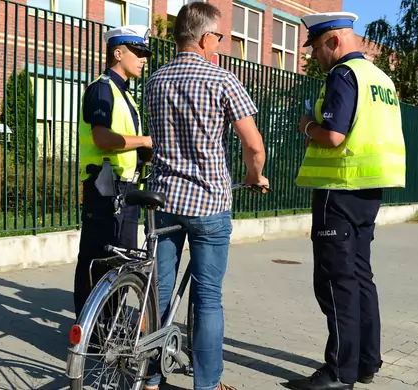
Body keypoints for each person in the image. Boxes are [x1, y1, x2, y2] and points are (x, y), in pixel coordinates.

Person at [143, 3, 269, 390]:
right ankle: (208, 384)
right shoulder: (222, 80)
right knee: (208, 298)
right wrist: (255, 176)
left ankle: (149, 379)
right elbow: (254, 145)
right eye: (219, 37)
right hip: (208, 204)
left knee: (158, 293)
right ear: (203, 37)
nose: (220, 44)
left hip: (163, 200)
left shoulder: (155, 81)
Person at [287, 11, 406, 390]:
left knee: (336, 282)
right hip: (369, 190)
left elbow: (335, 135)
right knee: (360, 276)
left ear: (334, 42)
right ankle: (366, 362)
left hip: (338, 191)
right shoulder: (381, 79)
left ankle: (340, 372)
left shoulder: (344, 75)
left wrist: (307, 124)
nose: (315, 57)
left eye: (317, 48)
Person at [74, 25, 153, 321]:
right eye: (138, 52)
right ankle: (91, 333)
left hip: (124, 189)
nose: (143, 59)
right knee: (97, 260)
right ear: (117, 53)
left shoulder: (125, 95)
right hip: (105, 188)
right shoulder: (102, 88)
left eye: (145, 53)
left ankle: (109, 329)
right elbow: (102, 138)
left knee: (119, 262)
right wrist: (144, 141)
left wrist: (145, 153)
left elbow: (123, 141)